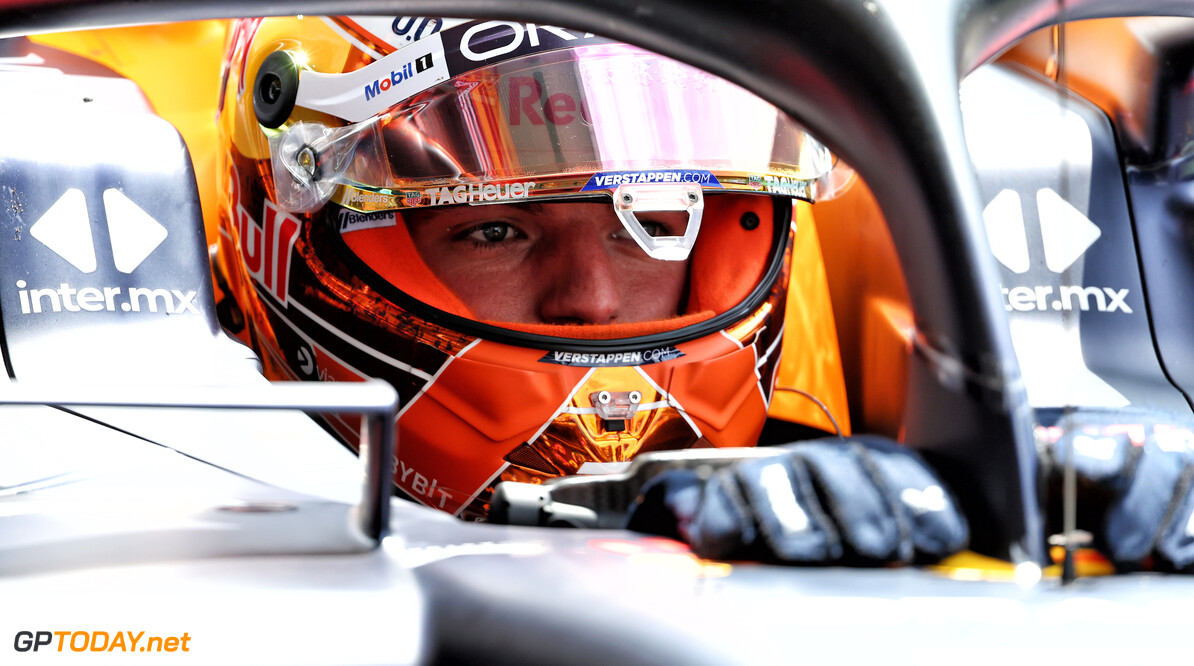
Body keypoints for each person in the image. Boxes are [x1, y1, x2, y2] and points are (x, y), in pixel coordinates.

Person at [210, 14, 971, 566]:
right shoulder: (152, 540)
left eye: (650, 219)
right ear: (290, 240)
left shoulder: (853, 482)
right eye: (494, 230)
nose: (591, 298)